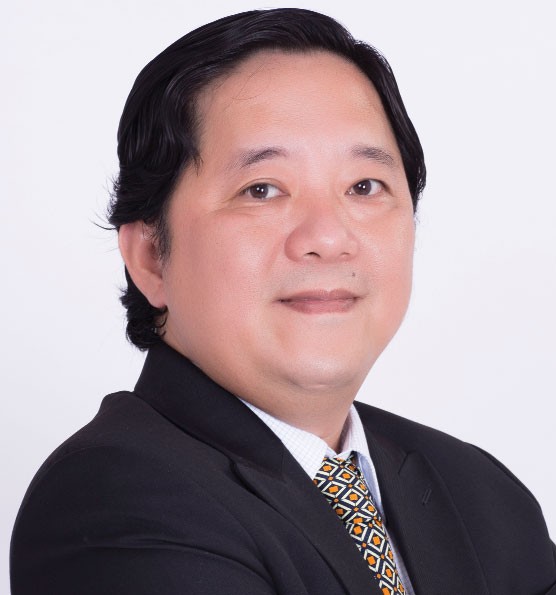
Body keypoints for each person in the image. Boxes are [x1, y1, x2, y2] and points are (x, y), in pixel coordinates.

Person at [10, 8, 556, 595]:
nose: (328, 237)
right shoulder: (114, 500)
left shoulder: (480, 494)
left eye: (364, 186)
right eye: (262, 190)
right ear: (150, 256)